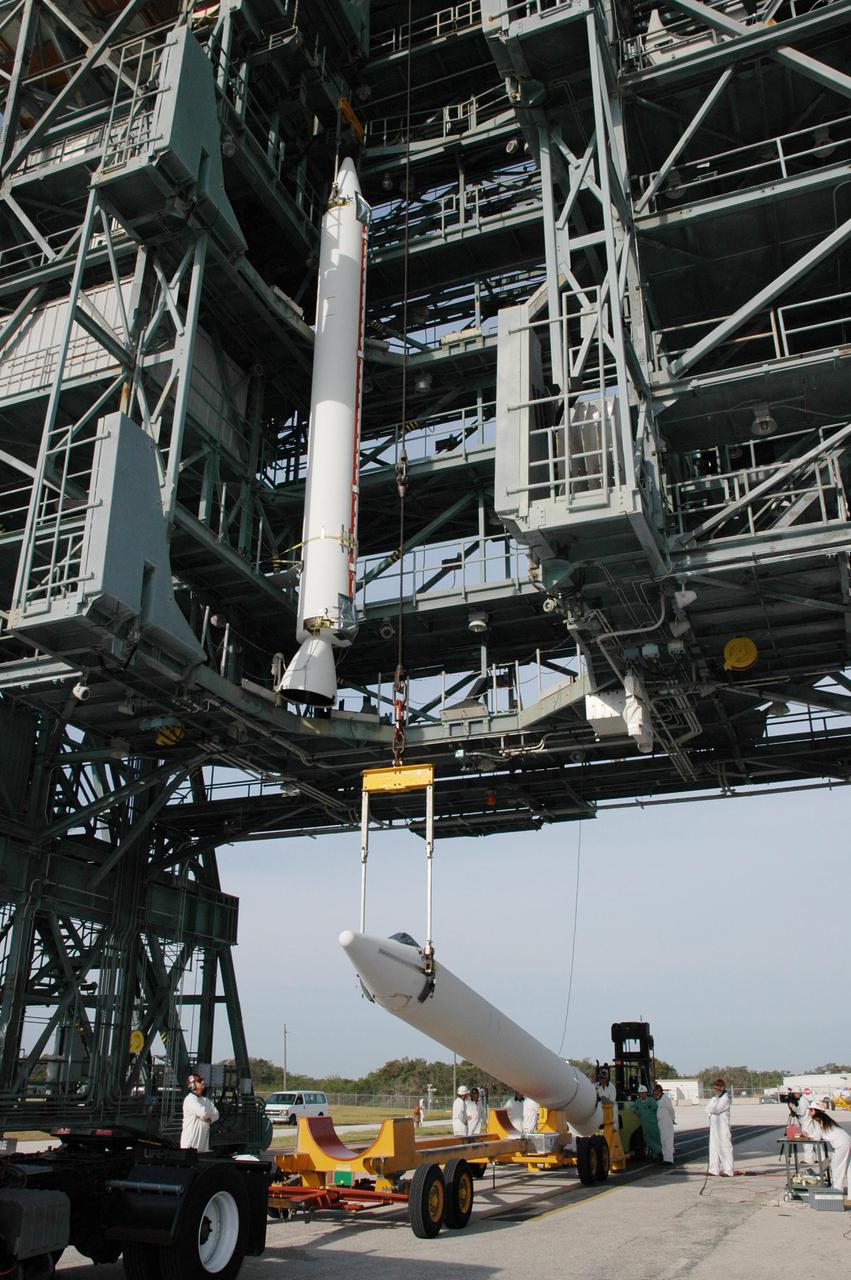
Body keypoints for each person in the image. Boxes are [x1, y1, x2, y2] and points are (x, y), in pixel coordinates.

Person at [803, 1102, 851, 1195]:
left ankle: (836, 1193)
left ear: (816, 1111)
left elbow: (817, 1137)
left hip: (841, 1145)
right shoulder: (826, 1120)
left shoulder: (818, 1120)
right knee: (848, 1170)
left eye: (811, 1110)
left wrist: (807, 1135)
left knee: (836, 1168)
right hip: (847, 1141)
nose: (809, 1112)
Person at [181, 1072, 219, 1151]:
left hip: (203, 1145)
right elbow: (204, 1113)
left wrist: (209, 1119)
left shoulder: (205, 1100)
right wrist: (208, 1114)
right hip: (190, 1144)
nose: (202, 1082)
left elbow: (216, 1114)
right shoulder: (190, 1099)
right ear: (192, 1085)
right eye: (199, 1081)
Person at [706, 1077, 733, 1175]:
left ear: (721, 1088)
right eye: (714, 1088)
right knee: (713, 1147)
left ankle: (728, 1170)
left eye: (716, 1088)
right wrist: (710, 1110)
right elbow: (707, 1108)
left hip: (723, 1127)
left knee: (725, 1147)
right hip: (714, 1126)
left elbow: (716, 1109)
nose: (715, 1090)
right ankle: (713, 1170)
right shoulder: (715, 1098)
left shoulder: (725, 1098)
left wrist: (711, 1109)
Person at [629, 1083, 662, 1158]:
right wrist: (635, 1111)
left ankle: (656, 1155)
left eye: (643, 1093)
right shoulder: (638, 1102)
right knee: (648, 1139)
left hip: (653, 1124)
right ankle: (659, 1151)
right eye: (640, 1093)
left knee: (656, 1139)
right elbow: (631, 1107)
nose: (642, 1095)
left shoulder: (651, 1101)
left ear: (646, 1093)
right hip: (645, 1124)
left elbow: (657, 1110)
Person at [653, 1083, 676, 1164]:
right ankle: (666, 1158)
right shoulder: (659, 1099)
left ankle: (669, 1159)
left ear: (659, 1091)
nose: (654, 1093)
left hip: (666, 1122)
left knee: (667, 1141)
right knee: (663, 1141)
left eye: (655, 1091)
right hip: (661, 1123)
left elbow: (671, 1110)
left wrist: (673, 1119)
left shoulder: (665, 1099)